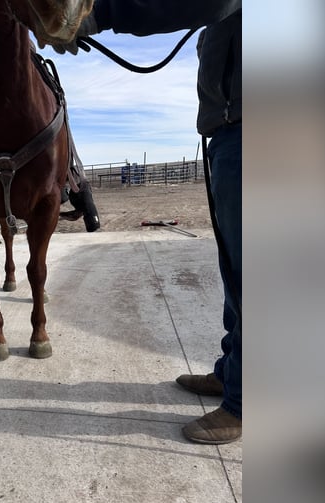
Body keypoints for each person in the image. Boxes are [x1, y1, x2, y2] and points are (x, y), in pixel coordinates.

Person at [46, 1, 242, 444]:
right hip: (231, 131)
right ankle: (232, 375)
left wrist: (97, 13)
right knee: (236, 273)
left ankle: (245, 403)